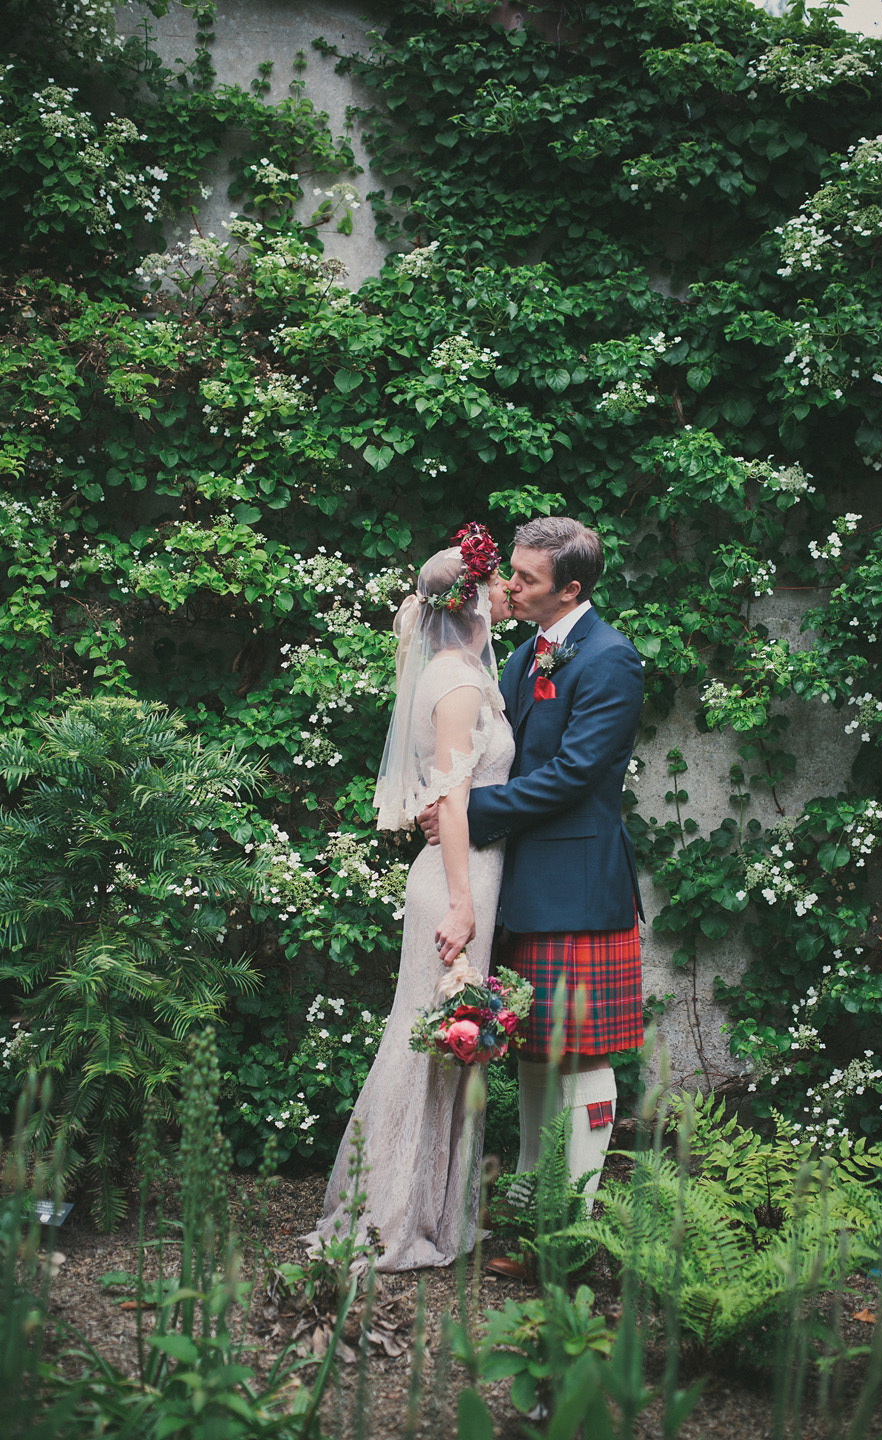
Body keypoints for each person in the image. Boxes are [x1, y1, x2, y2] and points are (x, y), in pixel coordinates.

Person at [302, 525, 514, 1271]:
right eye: (496, 581)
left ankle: (427, 1207)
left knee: (446, 1048)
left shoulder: (467, 670)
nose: (506, 591)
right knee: (426, 1042)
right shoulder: (455, 684)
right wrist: (461, 904)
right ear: (471, 598)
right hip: (456, 884)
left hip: (474, 873)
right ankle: (387, 1215)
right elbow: (451, 803)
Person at [424, 516, 645, 1224]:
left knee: (580, 1050)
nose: (508, 587)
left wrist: (472, 812)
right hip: (517, 882)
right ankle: (528, 1196)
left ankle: (573, 1219)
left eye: (525, 579)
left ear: (571, 587)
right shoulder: (524, 657)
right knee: (530, 1047)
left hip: (577, 887)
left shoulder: (610, 657)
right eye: (511, 572)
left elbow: (576, 775)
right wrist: (449, 806)